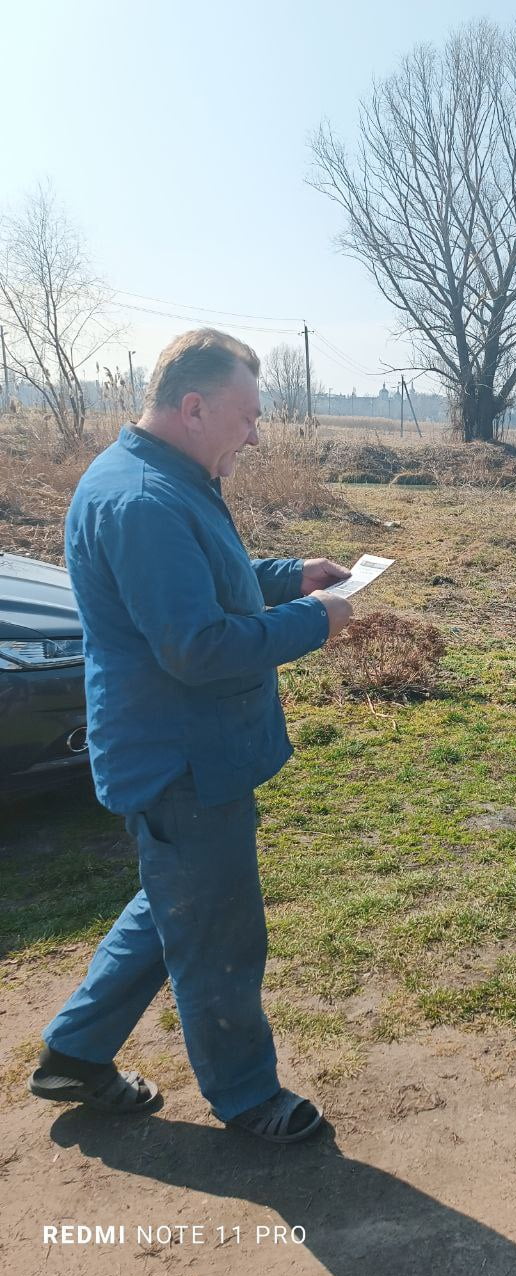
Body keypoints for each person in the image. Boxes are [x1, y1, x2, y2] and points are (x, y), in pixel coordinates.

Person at [28, 329, 354, 1143]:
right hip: (180, 759)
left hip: (184, 755)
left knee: (174, 903)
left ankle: (73, 1052)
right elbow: (198, 646)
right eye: (247, 416)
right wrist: (313, 622)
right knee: (219, 934)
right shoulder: (141, 501)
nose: (256, 434)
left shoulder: (168, 478)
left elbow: (213, 580)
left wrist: (290, 576)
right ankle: (247, 1097)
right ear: (195, 405)